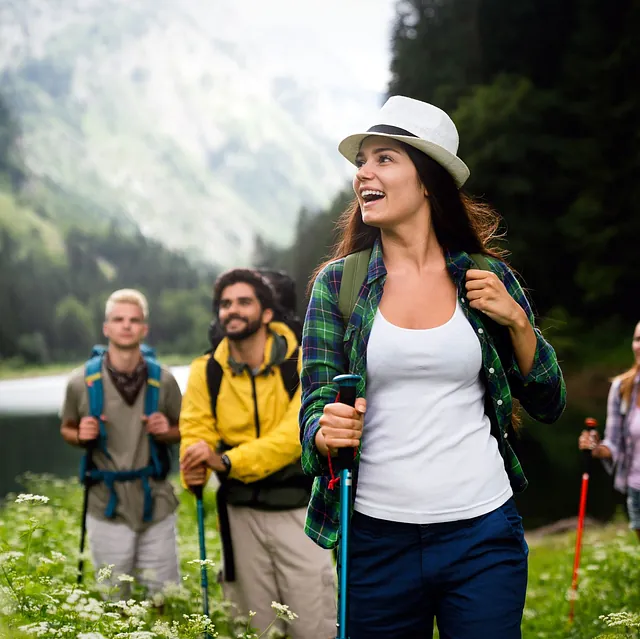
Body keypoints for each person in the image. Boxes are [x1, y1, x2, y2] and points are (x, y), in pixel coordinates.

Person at [299, 95, 566, 639]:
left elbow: (549, 402)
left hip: (482, 534)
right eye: (361, 162)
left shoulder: (486, 279)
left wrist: (518, 325)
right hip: (375, 540)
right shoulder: (338, 285)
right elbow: (312, 412)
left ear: (427, 181)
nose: (363, 174)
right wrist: (325, 433)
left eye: (384, 159)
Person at [179, 268, 335, 639]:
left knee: (314, 625)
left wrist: (228, 462)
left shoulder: (301, 360)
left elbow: (294, 435)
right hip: (238, 513)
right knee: (252, 628)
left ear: (267, 313)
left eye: (243, 302)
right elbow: (195, 428)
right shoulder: (207, 370)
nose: (232, 310)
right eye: (225, 304)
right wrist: (193, 461)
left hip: (300, 509)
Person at [60, 289, 182, 599]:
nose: (126, 326)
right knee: (113, 600)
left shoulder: (164, 380)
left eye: (134, 320)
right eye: (119, 319)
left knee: (163, 596)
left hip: (155, 500)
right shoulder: (80, 383)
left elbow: (185, 429)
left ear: (144, 328)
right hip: (106, 505)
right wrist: (80, 435)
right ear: (106, 328)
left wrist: (166, 430)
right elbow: (67, 428)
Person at [579, 320, 640, 541]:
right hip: (637, 490)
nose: (639, 346)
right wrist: (595, 448)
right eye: (637, 339)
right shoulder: (622, 389)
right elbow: (613, 444)